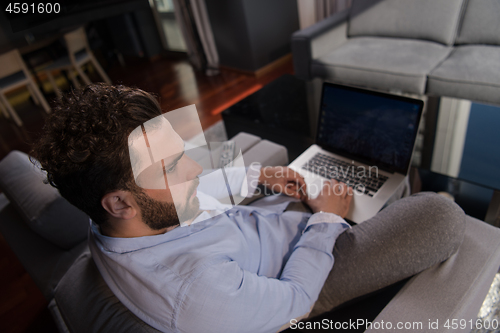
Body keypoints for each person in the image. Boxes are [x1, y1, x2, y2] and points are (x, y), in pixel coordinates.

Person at [31, 84, 465, 333]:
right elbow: (295, 301)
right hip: (303, 274)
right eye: (173, 167)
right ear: (122, 202)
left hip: (260, 227)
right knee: (440, 215)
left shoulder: (112, 220)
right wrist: (328, 218)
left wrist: (258, 177)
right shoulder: (194, 294)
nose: (197, 168)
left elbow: (194, 194)